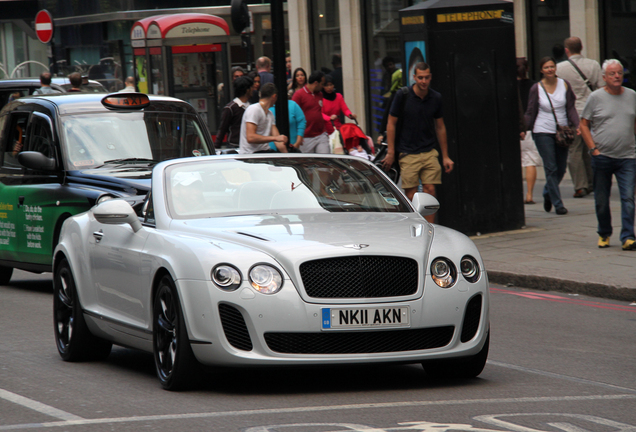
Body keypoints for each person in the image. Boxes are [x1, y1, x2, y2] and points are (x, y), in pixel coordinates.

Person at [382, 61, 454, 223]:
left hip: (429, 151)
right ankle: (416, 226)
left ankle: (430, 228)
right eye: (420, 77)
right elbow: (391, 123)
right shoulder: (403, 95)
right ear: (414, 77)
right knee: (411, 194)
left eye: (426, 77)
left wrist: (445, 156)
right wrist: (391, 152)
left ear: (430, 78)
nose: (423, 81)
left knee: (430, 190)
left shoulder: (435, 97)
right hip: (408, 152)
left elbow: (440, 127)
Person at [579, 59, 636, 250]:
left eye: (619, 73)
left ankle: (628, 236)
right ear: (604, 77)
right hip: (602, 156)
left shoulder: (632, 95)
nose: (617, 76)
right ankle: (604, 232)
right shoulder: (595, 98)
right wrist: (593, 149)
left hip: (628, 156)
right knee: (602, 200)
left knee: (628, 197)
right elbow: (584, 124)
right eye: (612, 74)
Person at [524, 56, 579, 216]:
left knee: (561, 168)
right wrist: (524, 128)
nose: (550, 70)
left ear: (556, 68)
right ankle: (558, 204)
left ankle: (548, 191)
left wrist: (577, 125)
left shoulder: (564, 85)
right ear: (541, 70)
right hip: (542, 131)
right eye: (546, 67)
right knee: (551, 167)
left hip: (562, 132)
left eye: (552, 66)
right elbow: (530, 111)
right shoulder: (537, 88)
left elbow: (570, 108)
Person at [556, 36, 605, 198]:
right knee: (591, 148)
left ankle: (580, 185)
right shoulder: (593, 65)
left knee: (574, 150)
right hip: (592, 112)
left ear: (566, 50)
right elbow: (601, 88)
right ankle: (593, 182)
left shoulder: (560, 68)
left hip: (573, 114)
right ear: (581, 47)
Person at [517, 57, 542, 204]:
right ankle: (529, 195)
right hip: (530, 128)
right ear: (527, 69)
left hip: (515, 128)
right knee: (530, 161)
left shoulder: (509, 85)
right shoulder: (535, 86)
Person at [239, 83, 288, 154]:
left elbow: (278, 139)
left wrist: (287, 156)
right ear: (274, 96)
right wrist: (275, 138)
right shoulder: (254, 109)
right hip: (250, 155)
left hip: (264, 153)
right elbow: (250, 137)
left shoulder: (270, 114)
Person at [292, 70, 330, 154]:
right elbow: (293, 115)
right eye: (322, 84)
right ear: (316, 83)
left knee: (325, 160)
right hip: (305, 137)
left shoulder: (320, 94)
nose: (323, 86)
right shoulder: (298, 95)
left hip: (321, 134)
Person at [215, 76, 253, 149]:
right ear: (247, 90)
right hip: (234, 146)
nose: (253, 90)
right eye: (251, 87)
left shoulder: (251, 107)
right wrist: (216, 148)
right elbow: (222, 129)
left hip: (249, 147)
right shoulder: (230, 108)